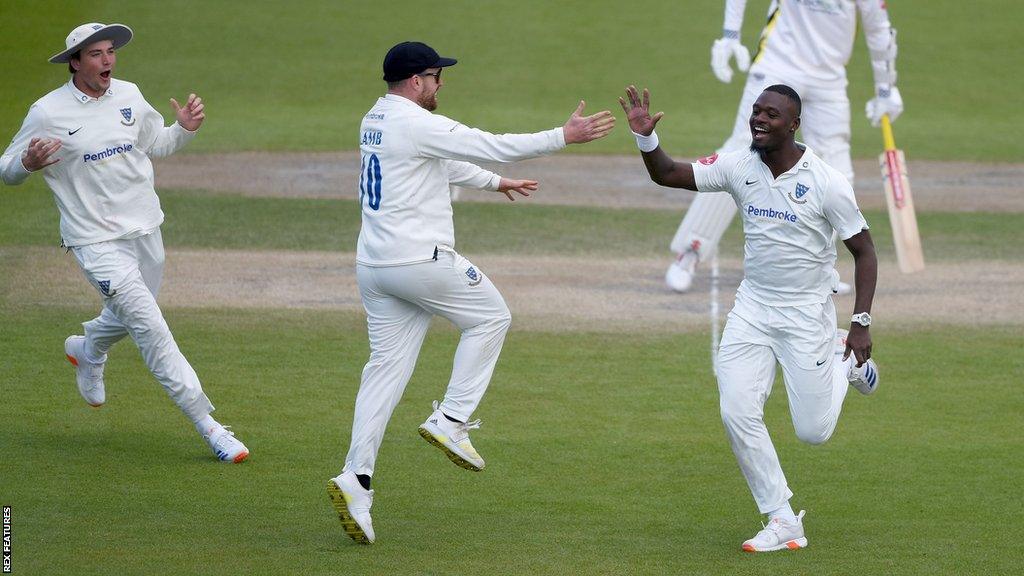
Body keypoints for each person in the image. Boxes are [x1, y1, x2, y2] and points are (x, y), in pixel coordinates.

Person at [326, 41, 615, 544]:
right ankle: (451, 420)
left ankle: (358, 478)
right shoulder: (417, 122)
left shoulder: (375, 118)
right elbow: (487, 142)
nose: (441, 86)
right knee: (492, 318)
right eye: (437, 77)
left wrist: (494, 183)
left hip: (375, 266)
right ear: (416, 81)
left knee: (385, 372)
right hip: (419, 260)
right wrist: (562, 136)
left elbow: (442, 163)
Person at [621, 83, 880, 551]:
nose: (760, 120)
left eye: (772, 115)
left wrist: (860, 322)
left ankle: (847, 362)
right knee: (736, 410)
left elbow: (864, 251)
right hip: (754, 307)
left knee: (813, 433)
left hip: (806, 315)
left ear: (794, 125)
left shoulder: (826, 182)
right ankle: (782, 518)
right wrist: (645, 138)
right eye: (756, 112)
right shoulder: (739, 166)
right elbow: (668, 174)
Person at [0, 23, 249, 463]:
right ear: (75, 62)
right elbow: (6, 169)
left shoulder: (130, 95)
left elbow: (158, 144)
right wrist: (26, 161)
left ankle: (89, 348)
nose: (107, 61)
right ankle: (210, 425)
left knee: (134, 316)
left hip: (146, 229)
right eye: (95, 55)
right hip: (94, 240)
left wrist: (184, 128)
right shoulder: (47, 111)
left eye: (110, 52)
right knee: (151, 328)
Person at [665, 0, 904, 293]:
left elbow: (879, 30)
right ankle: (691, 249)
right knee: (742, 153)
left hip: (829, 78)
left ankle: (819, 270)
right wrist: (729, 34)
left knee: (835, 169)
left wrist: (885, 88)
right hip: (779, 64)